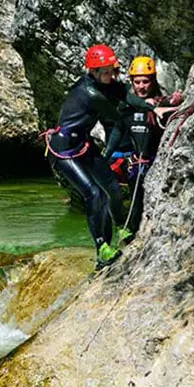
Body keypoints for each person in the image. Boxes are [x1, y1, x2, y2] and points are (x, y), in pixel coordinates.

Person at [45, 44, 131, 269]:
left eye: (112, 71)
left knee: (112, 185)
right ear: (93, 72)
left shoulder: (104, 86)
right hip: (63, 151)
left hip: (83, 144)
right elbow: (117, 118)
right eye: (106, 72)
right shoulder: (89, 92)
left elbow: (120, 108)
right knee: (94, 193)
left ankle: (121, 225)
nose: (111, 76)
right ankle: (101, 247)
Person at [105, 56, 183, 238]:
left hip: (154, 162)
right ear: (132, 82)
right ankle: (130, 234)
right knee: (135, 200)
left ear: (152, 81)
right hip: (133, 163)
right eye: (137, 82)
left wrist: (173, 104)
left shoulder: (161, 102)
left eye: (145, 82)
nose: (141, 86)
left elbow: (167, 104)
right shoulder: (125, 105)